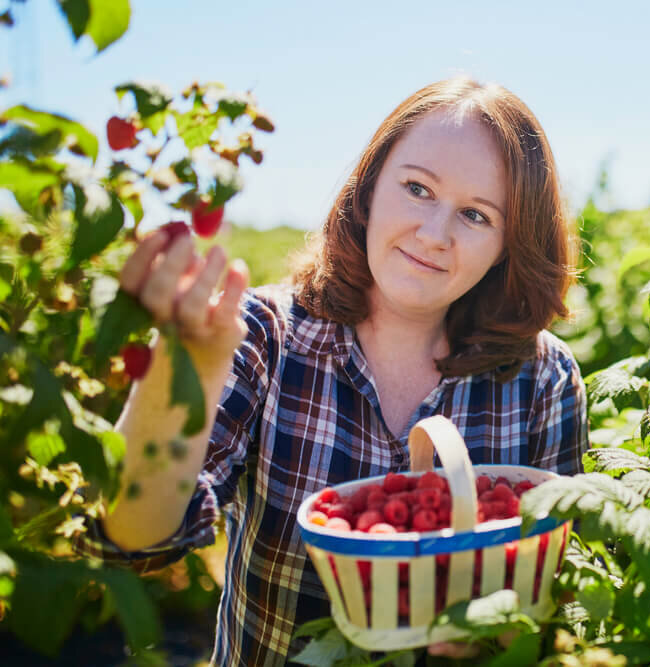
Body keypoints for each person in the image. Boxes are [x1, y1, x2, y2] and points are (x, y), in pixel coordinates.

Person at [76, 75, 587, 666]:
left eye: (475, 215)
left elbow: (556, 594)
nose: (434, 234)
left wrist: (499, 633)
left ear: (509, 244)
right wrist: (183, 372)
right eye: (418, 188)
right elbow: (134, 540)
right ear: (368, 191)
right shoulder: (266, 334)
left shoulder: (540, 381)